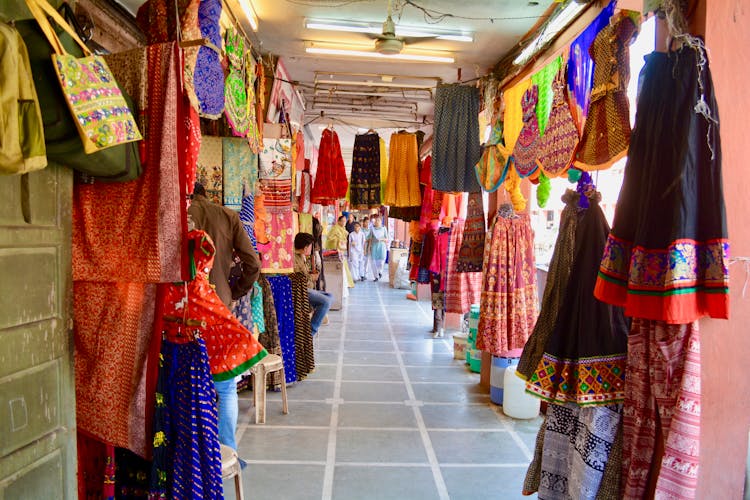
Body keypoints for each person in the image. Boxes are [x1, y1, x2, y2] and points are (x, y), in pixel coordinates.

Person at [187, 182, 262, 452]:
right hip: (219, 305)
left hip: (182, 308)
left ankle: (194, 457)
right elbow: (253, 264)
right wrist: (235, 290)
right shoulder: (228, 216)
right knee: (226, 387)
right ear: (209, 193)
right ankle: (227, 450)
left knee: (185, 385)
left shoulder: (179, 213)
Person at [294, 232, 333, 336]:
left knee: (330, 296)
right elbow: (299, 281)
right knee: (325, 302)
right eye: (310, 246)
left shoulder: (302, 257)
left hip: (308, 288)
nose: (311, 249)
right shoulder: (294, 260)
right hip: (301, 291)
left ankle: (313, 317)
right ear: (305, 247)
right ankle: (311, 332)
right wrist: (312, 278)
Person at [367, 214, 389, 281]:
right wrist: (368, 248)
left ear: (381, 221)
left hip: (382, 247)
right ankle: (376, 276)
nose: (377, 222)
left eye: (379, 221)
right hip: (374, 247)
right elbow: (369, 238)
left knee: (382, 261)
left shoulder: (384, 228)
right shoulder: (372, 229)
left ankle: (380, 272)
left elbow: (387, 239)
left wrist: (381, 239)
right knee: (373, 262)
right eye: (376, 221)